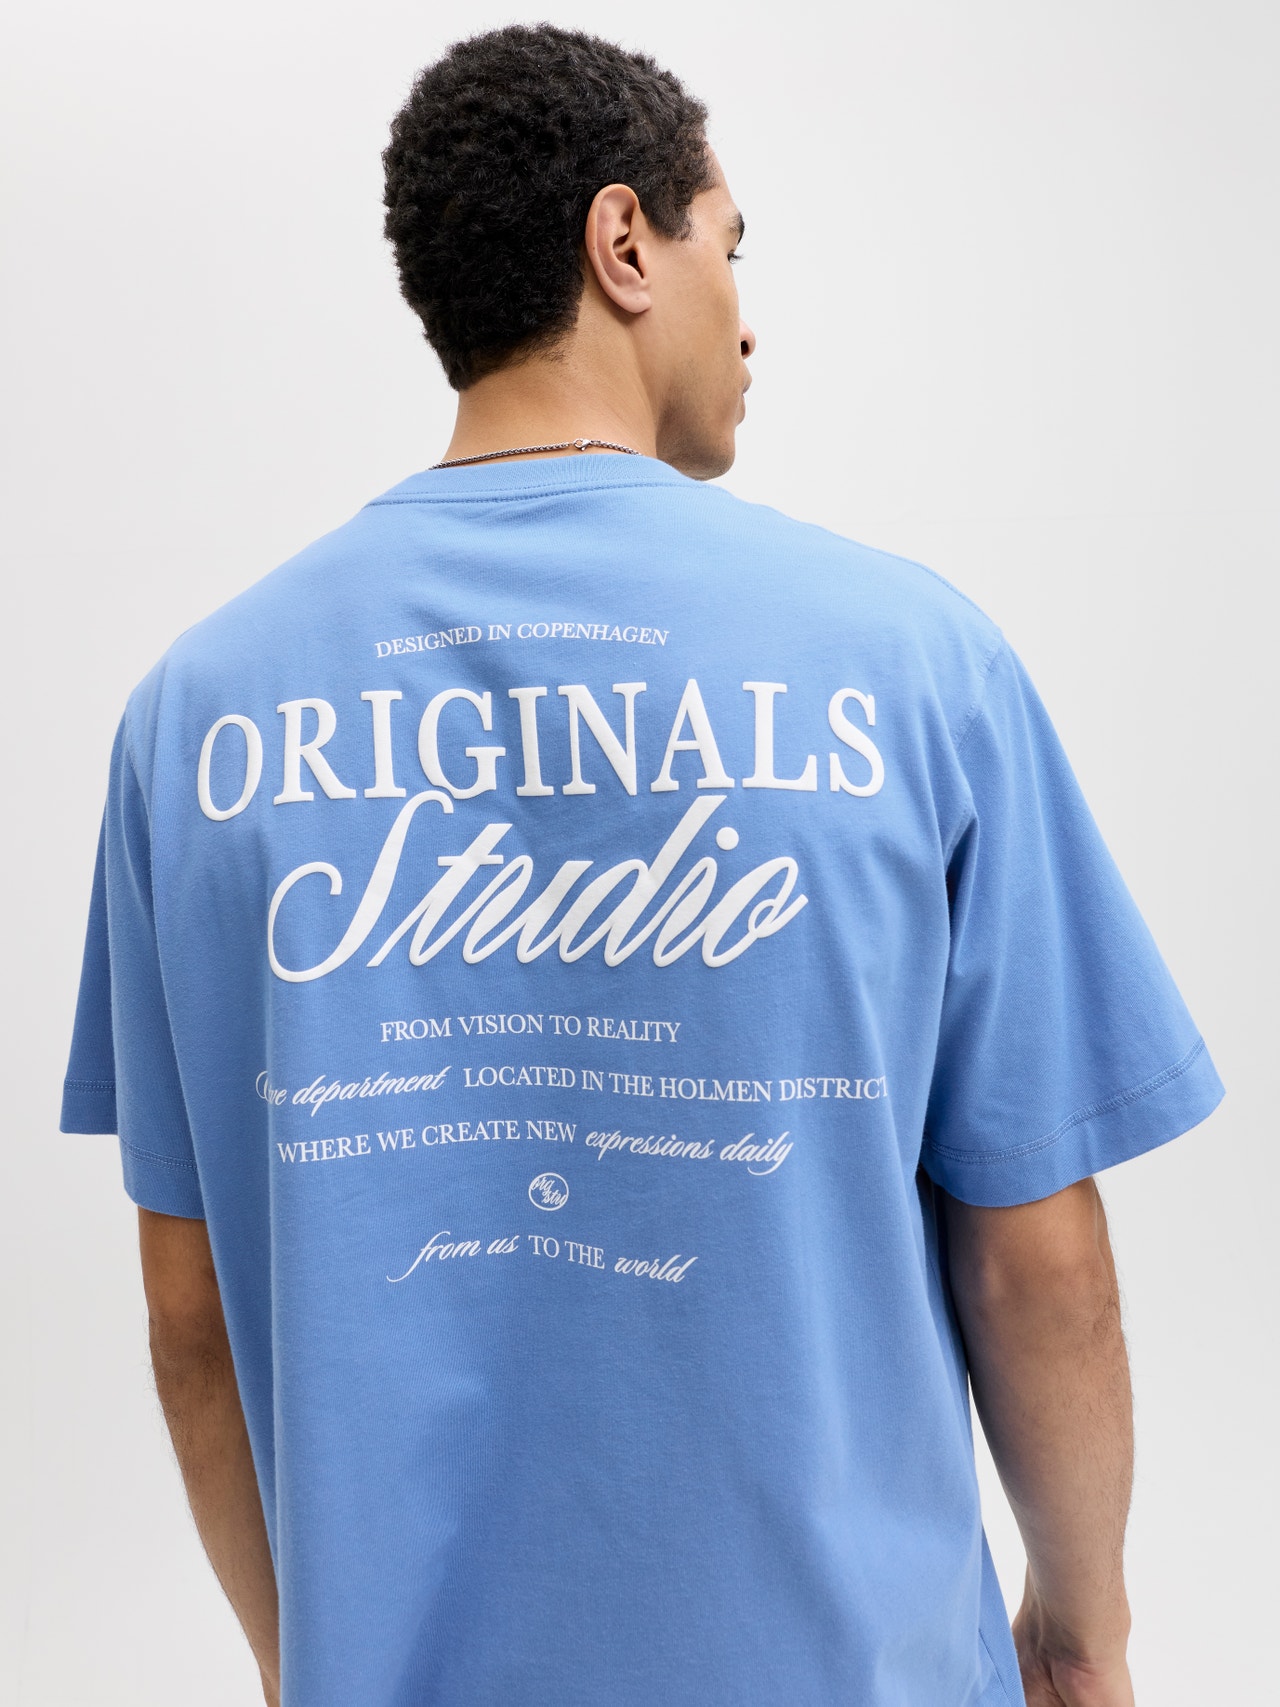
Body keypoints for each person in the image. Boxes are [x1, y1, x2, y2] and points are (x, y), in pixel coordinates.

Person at [60, 23, 1223, 1707]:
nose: (746, 317)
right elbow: (1042, 1264)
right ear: (624, 243)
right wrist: (1083, 1631)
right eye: (728, 247)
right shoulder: (912, 666)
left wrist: (305, 1667)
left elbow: (192, 1319)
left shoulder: (195, 716)